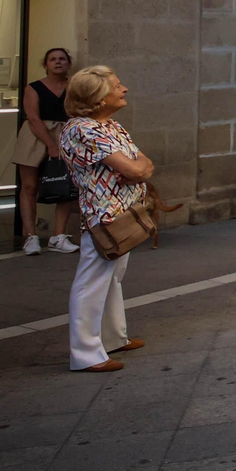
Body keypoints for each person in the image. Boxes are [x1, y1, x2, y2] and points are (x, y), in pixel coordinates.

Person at [60, 66, 153, 372]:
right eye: (116, 86)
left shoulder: (110, 126)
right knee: (92, 281)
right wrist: (132, 169)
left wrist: (134, 169)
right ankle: (85, 354)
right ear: (98, 99)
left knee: (112, 277)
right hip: (103, 216)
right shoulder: (82, 130)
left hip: (123, 212)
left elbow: (144, 164)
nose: (123, 89)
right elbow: (136, 169)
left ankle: (113, 337)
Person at [16, 47, 76, 255]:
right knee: (30, 186)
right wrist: (51, 145)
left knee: (66, 186)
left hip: (65, 134)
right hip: (35, 135)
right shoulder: (33, 88)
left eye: (62, 59)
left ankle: (58, 236)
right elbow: (33, 117)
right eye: (53, 59)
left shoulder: (75, 87)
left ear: (68, 63)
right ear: (46, 64)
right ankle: (30, 236)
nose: (58, 62)